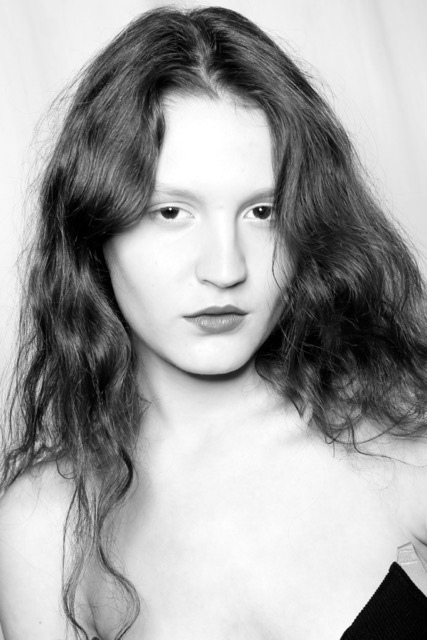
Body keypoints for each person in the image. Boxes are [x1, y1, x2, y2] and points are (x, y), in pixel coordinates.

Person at [0, 6, 427, 640]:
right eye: (171, 212)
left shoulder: (402, 439)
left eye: (262, 211)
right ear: (94, 228)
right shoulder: (45, 529)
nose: (226, 269)